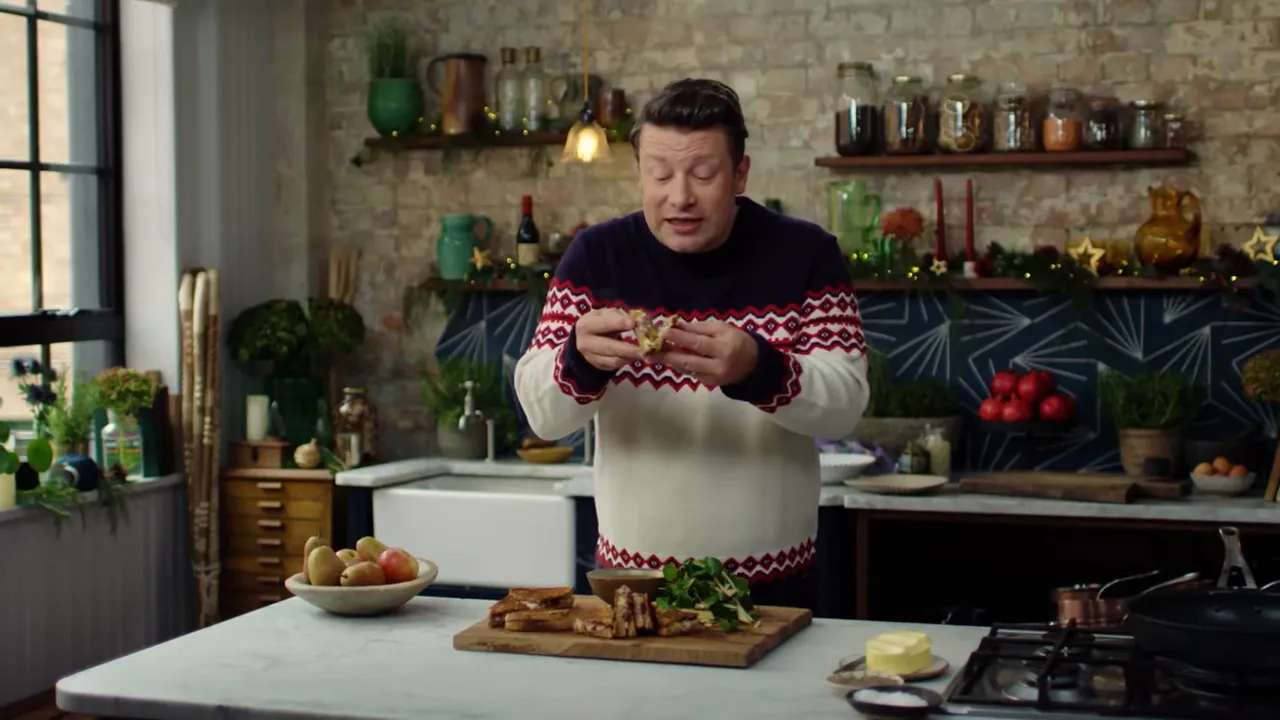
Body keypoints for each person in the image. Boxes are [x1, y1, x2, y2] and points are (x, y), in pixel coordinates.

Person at [513, 78, 870, 610]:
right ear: (639, 174)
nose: (679, 196)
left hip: (774, 583)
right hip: (632, 582)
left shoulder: (806, 256)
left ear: (740, 174)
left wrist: (758, 368)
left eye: (704, 175)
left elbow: (843, 407)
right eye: (659, 175)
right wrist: (578, 359)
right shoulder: (595, 257)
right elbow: (543, 414)